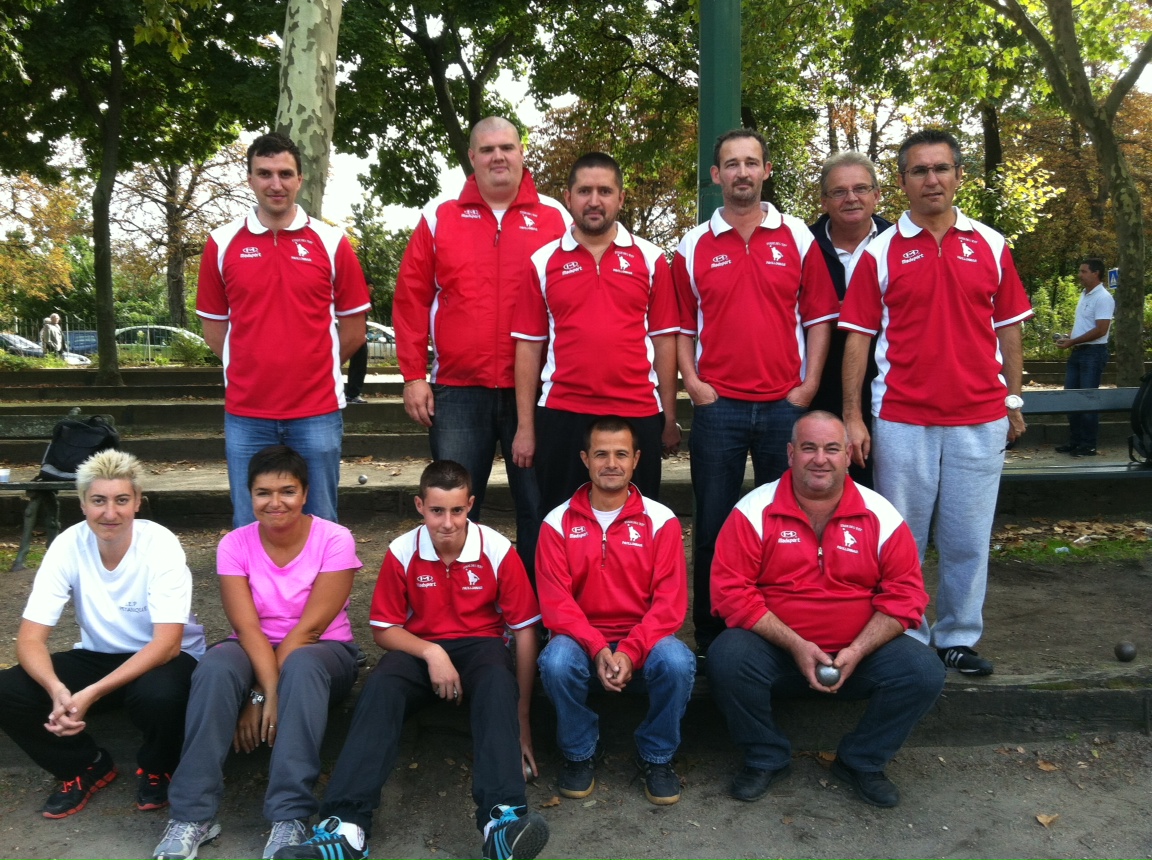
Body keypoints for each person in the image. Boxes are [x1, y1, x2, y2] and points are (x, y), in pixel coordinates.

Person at [274, 460, 548, 860]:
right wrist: (431, 652)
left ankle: (502, 822)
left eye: (457, 510)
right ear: (420, 506)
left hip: (481, 648)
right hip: (420, 647)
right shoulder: (402, 550)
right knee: (382, 684)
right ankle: (346, 827)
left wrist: (522, 720)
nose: (447, 523)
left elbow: (524, 630)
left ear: (470, 505)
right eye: (437, 510)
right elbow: (384, 629)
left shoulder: (497, 548)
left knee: (495, 678)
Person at [839, 129, 1034, 676]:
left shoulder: (991, 244)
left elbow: (1009, 328)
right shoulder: (879, 252)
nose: (932, 180)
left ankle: (957, 636)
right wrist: (853, 416)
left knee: (967, 538)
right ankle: (907, 634)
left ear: (958, 176)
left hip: (980, 417)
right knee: (902, 539)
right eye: (920, 171)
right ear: (902, 182)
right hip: (902, 418)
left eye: (941, 168)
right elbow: (857, 338)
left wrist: (1013, 400)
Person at [707, 412, 945, 808]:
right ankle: (765, 756)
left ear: (848, 454)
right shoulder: (753, 510)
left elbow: (906, 595)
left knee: (923, 670)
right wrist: (796, 645)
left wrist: (858, 650)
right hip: (778, 655)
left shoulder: (880, 513)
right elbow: (730, 592)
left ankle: (862, 761)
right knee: (726, 657)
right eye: (809, 448)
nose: (820, 459)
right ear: (790, 454)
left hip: (860, 657)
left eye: (832, 449)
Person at [674, 129, 840, 653]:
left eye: (751, 162)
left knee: (786, 525)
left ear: (766, 170)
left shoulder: (798, 237)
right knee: (713, 526)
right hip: (718, 407)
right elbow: (681, 327)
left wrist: (809, 385)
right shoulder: (693, 244)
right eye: (731, 163)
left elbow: (819, 318)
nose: (741, 172)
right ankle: (712, 635)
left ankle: (780, 631)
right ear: (716, 175)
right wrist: (693, 384)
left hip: (783, 407)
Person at [153, 446, 362, 860]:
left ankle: (290, 816)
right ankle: (192, 815)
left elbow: (310, 630)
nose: (275, 502)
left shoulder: (334, 539)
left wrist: (263, 694)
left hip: (323, 652)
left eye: (288, 491)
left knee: (302, 665)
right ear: (248, 495)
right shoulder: (234, 544)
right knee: (214, 666)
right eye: (263, 492)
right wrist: (261, 691)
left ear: (305, 494)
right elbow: (247, 628)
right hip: (253, 649)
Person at [394, 116, 570, 578]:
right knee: (453, 511)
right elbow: (411, 298)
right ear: (471, 157)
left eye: (507, 147)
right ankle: (456, 602)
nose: (498, 157)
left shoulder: (555, 216)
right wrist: (413, 375)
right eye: (487, 149)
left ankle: (536, 605)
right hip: (458, 391)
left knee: (539, 506)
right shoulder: (440, 214)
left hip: (534, 390)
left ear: (522, 152)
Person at [0, 449, 205, 819]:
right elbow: (29, 639)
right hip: (99, 655)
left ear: (138, 502)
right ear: (82, 504)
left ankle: (159, 767)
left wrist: (91, 693)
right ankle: (84, 766)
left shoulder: (160, 544)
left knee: (159, 695)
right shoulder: (68, 545)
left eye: (121, 500)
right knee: (8, 689)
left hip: (164, 658)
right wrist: (57, 690)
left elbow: (167, 644)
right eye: (98, 501)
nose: (110, 513)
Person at [197, 133, 370, 528]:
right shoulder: (221, 243)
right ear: (250, 179)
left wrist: (311, 367)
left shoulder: (331, 242)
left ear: (300, 179)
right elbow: (214, 330)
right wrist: (253, 366)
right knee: (250, 524)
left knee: (320, 522)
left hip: (316, 410)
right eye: (265, 173)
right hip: (247, 413)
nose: (276, 184)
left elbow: (354, 329)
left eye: (285, 174)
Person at [536, 416, 695, 806]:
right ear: (585, 459)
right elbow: (557, 604)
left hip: (645, 636)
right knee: (555, 662)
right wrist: (597, 647)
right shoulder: (556, 523)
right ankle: (579, 751)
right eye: (601, 454)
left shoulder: (662, 520)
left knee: (678, 662)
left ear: (636, 459)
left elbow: (669, 604)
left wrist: (630, 650)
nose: (611, 463)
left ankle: (657, 755)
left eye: (621, 454)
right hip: (579, 638)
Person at [512, 152, 681, 513]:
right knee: (562, 521)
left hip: (636, 412)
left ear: (620, 198)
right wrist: (525, 427)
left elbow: (665, 342)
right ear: (568, 197)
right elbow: (528, 347)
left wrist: (668, 418)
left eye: (604, 191)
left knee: (637, 523)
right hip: (563, 412)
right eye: (584, 191)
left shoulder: (651, 259)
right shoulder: (542, 261)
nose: (594, 201)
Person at [808, 152, 892, 488]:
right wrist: (835, 313)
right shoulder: (802, 245)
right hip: (817, 384)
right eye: (839, 191)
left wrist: (860, 312)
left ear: (877, 194)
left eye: (860, 188)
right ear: (824, 200)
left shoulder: (900, 242)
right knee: (821, 482)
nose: (851, 198)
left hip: (887, 383)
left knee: (879, 484)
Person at [1055, 258, 1114, 457]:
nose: (1079, 275)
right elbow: (1085, 325)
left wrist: (1073, 341)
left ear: (1096, 273)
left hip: (1093, 354)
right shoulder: (1084, 294)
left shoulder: (1103, 298)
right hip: (1078, 352)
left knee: (1088, 400)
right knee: (1071, 398)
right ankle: (1075, 441)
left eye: (1083, 271)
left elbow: (1101, 330)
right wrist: (1070, 338)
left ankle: (1088, 444)